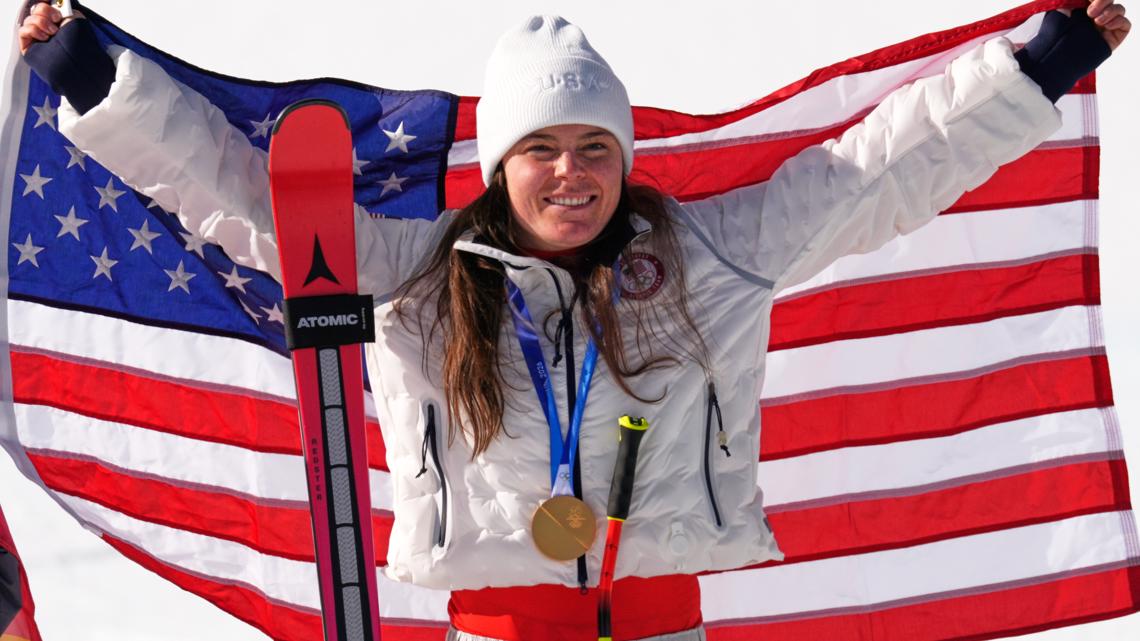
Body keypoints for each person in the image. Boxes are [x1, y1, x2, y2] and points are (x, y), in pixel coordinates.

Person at [16, 2, 1132, 640]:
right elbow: (242, 202)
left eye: (596, 147)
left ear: (623, 159)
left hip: (663, 621)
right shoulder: (419, 272)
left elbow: (877, 170)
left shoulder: (707, 255)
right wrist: (94, 78)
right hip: (497, 630)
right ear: (502, 165)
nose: (571, 171)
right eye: (542, 148)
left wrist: (1037, 69)